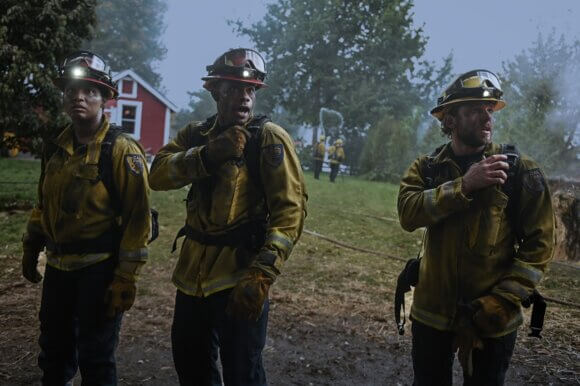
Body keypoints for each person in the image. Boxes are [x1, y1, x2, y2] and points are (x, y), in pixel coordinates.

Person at [149, 48, 307, 385]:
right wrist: (207, 155)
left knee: (243, 374)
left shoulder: (268, 139)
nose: (244, 97)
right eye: (234, 88)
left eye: (250, 90)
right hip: (191, 280)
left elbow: (290, 213)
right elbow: (157, 175)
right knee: (191, 368)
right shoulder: (196, 135)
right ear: (215, 90)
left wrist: (262, 274)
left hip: (240, 278)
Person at [397, 69, 554, 385]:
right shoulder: (427, 168)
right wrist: (463, 186)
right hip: (432, 313)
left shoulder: (520, 170)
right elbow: (408, 214)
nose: (487, 118)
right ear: (450, 120)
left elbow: (541, 244)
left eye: (490, 110)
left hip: (491, 318)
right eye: (475, 110)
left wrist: (504, 300)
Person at [21, 50, 152, 385]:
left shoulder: (121, 149)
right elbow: (43, 202)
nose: (79, 97)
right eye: (72, 90)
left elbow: (138, 218)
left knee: (96, 357)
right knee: (53, 353)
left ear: (106, 98)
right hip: (59, 269)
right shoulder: (55, 146)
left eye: (90, 91)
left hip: (100, 269)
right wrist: (32, 244)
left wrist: (126, 277)